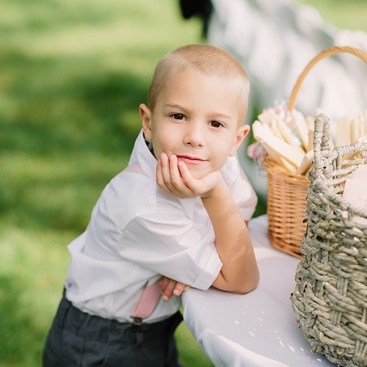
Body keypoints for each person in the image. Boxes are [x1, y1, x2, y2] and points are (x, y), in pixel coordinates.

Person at [42, 44, 260, 367]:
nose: (195, 137)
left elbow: (241, 212)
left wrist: (206, 254)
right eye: (178, 116)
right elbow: (242, 278)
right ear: (148, 120)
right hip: (101, 344)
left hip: (150, 330)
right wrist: (215, 198)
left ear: (236, 140)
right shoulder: (142, 207)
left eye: (215, 124)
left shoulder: (212, 162)